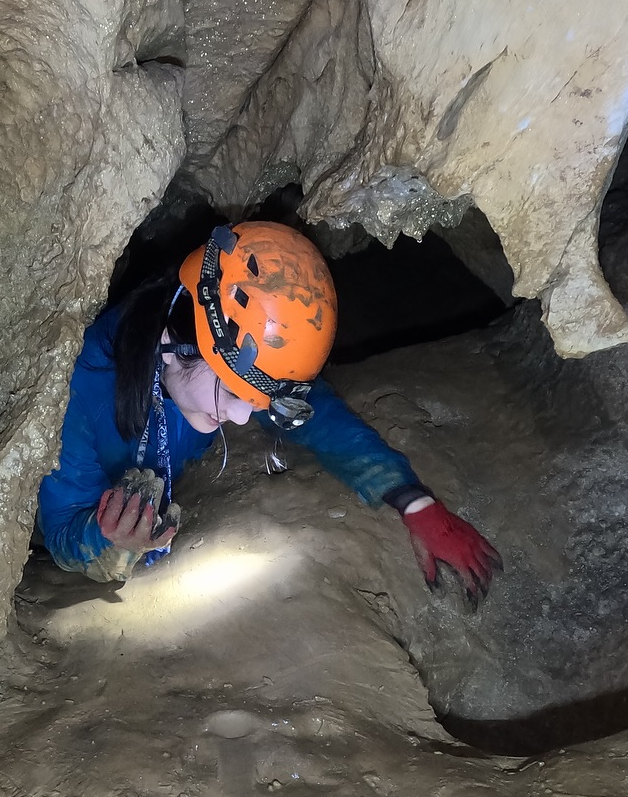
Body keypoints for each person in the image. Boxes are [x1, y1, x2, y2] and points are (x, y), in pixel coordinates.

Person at [36, 221, 502, 603]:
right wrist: (108, 540)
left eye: (254, 401)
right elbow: (60, 529)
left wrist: (410, 499)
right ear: (172, 348)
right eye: (233, 392)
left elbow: (311, 411)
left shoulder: (228, 347)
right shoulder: (77, 391)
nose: (242, 418)